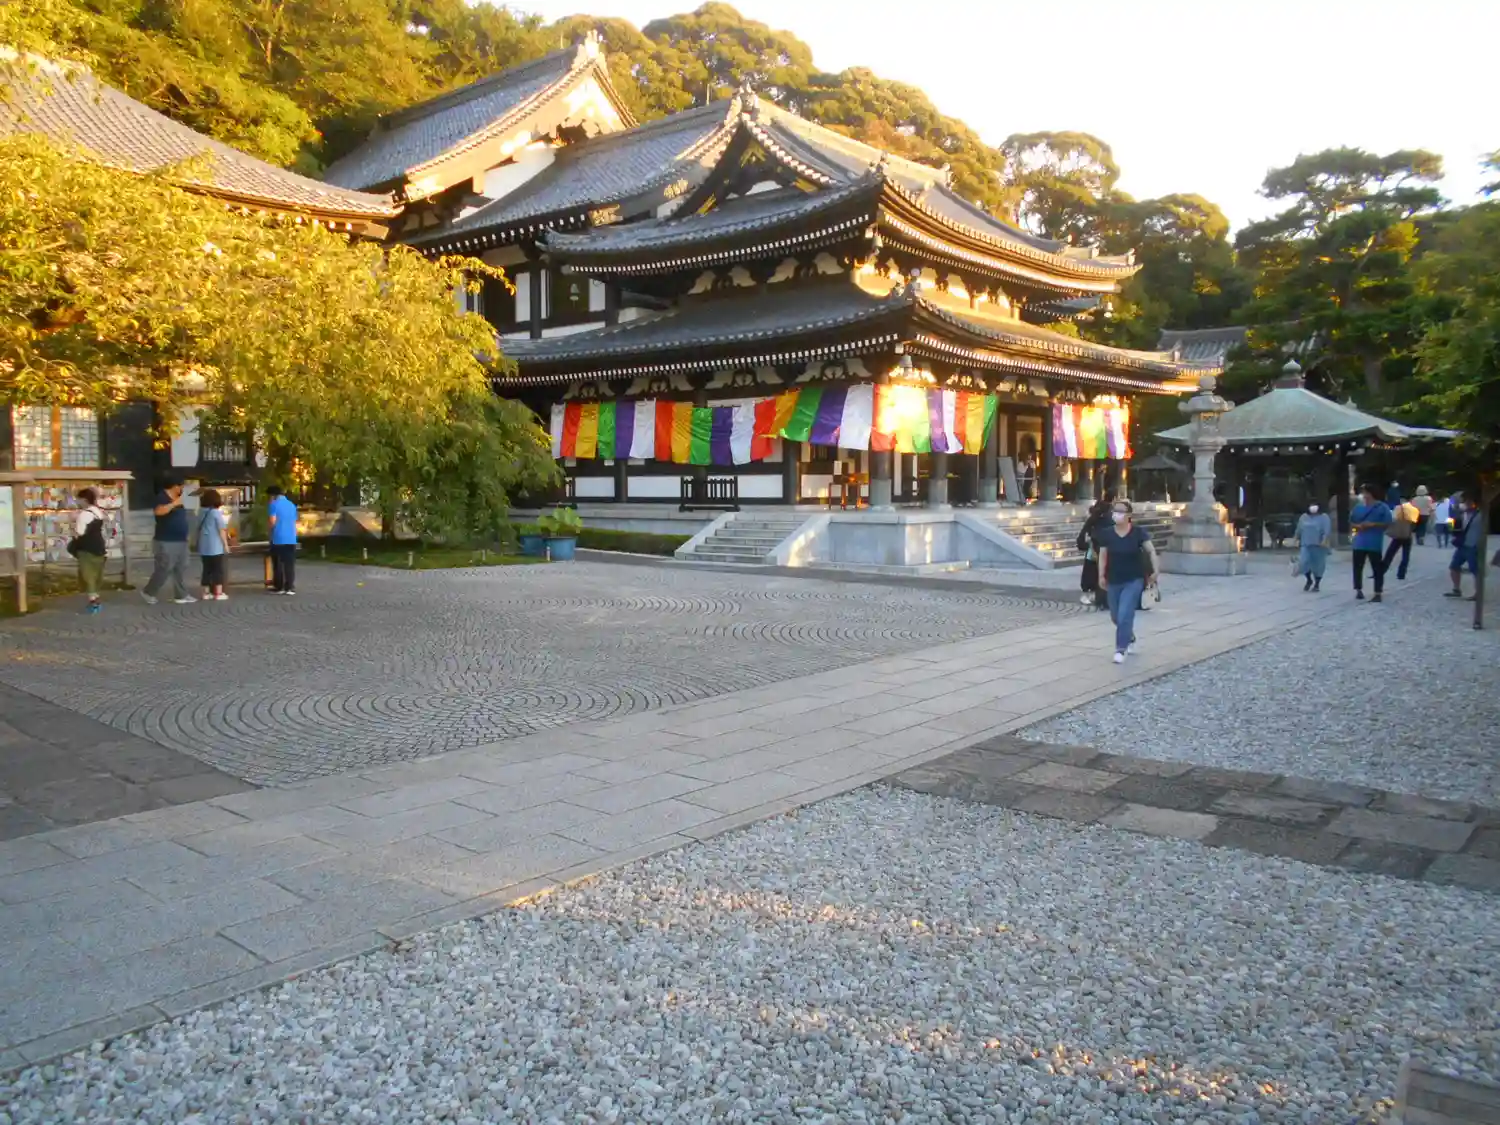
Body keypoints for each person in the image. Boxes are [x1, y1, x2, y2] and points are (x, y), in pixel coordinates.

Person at [1096, 498, 1158, 664]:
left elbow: (1151, 551)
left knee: (1125, 613)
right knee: (1116, 616)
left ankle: (1120, 649)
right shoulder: (1107, 534)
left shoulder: (1138, 533)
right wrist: (1101, 575)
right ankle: (1129, 636)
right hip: (1113, 579)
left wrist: (1155, 570)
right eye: (1115, 511)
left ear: (1129, 514)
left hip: (1133, 579)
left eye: (1121, 511)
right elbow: (1103, 555)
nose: (1117, 514)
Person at [141, 475, 194, 605]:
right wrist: (174, 504)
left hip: (181, 539)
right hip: (166, 540)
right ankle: (148, 592)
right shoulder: (162, 497)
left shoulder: (179, 498)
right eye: (181, 486)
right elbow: (159, 511)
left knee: (181, 567)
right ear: (175, 486)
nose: (182, 489)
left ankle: (181, 595)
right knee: (164, 568)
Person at [1349, 484, 1392, 602]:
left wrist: (1373, 524)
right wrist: (1356, 526)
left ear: (1371, 493)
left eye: (1365, 492)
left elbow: (1388, 523)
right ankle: (1358, 589)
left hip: (1374, 542)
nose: (1363, 495)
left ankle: (1378, 592)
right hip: (1359, 541)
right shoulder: (1358, 508)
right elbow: (1351, 522)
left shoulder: (1382, 507)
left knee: (1377, 568)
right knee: (1357, 567)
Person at [71, 487, 108, 614]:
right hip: (99, 546)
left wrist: (72, 525)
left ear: (84, 500)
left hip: (86, 548)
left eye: (78, 499)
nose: (77, 502)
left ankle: (94, 602)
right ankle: (96, 598)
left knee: (88, 575)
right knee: (96, 574)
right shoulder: (98, 512)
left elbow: (79, 533)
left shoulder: (84, 515)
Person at [1077, 491, 1113, 608]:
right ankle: (1098, 594)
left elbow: (1084, 532)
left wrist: (1084, 542)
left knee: (1091, 571)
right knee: (1098, 571)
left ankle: (1090, 594)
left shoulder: (1095, 518)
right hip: (1099, 548)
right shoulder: (1108, 519)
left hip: (1094, 548)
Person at [196, 489, 231, 601]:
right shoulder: (216, 512)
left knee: (206, 569)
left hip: (204, 546)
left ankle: (206, 593)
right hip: (215, 546)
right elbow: (221, 530)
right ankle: (218, 593)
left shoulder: (200, 512)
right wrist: (225, 545)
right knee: (217, 570)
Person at [1445, 495, 1481, 600]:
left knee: (1475, 570)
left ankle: (1478, 593)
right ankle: (1456, 589)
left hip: (1472, 545)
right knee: (1454, 567)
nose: (1467, 504)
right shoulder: (1462, 514)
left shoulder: (1479, 515)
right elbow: (1451, 526)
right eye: (1466, 502)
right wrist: (1451, 522)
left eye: (1469, 502)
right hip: (1463, 545)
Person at [1294, 501, 1332, 592]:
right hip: (1306, 544)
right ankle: (1309, 579)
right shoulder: (1304, 517)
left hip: (1319, 545)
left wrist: (1324, 540)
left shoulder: (1324, 517)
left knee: (1318, 565)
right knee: (1303, 562)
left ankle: (1317, 584)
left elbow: (1327, 530)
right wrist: (1296, 538)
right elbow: (1299, 529)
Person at [266, 485, 298, 596]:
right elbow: (294, 521)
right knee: (289, 563)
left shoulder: (273, 505)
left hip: (278, 538)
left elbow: (272, 522)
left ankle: (279, 586)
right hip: (291, 537)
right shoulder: (291, 505)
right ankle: (290, 587)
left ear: (272, 495)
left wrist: (269, 533)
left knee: (278, 563)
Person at [1381, 495, 1419, 581]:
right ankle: (1401, 574)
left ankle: (1382, 570)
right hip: (1407, 534)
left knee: (1390, 553)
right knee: (1406, 555)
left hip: (1398, 534)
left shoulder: (1398, 508)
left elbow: (1393, 519)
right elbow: (1414, 523)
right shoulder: (1413, 509)